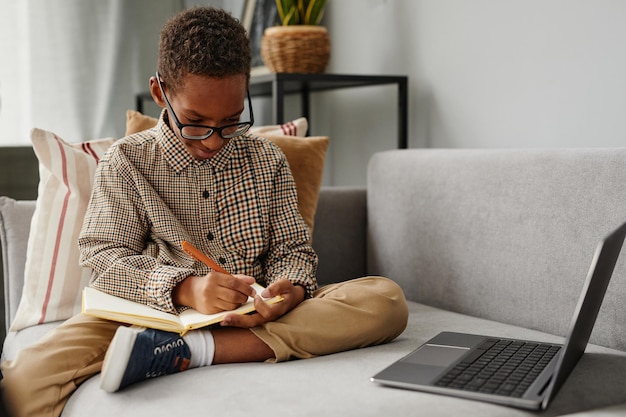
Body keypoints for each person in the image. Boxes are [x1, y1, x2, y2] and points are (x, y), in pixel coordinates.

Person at [1, 7, 408, 417]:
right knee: (24, 380)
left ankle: (195, 351)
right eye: (196, 123)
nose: (215, 141)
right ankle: (180, 345)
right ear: (160, 93)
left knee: (386, 301)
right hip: (152, 318)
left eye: (230, 122)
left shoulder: (267, 160)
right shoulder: (127, 161)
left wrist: (291, 292)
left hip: (257, 319)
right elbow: (103, 258)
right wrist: (186, 288)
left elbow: (294, 250)